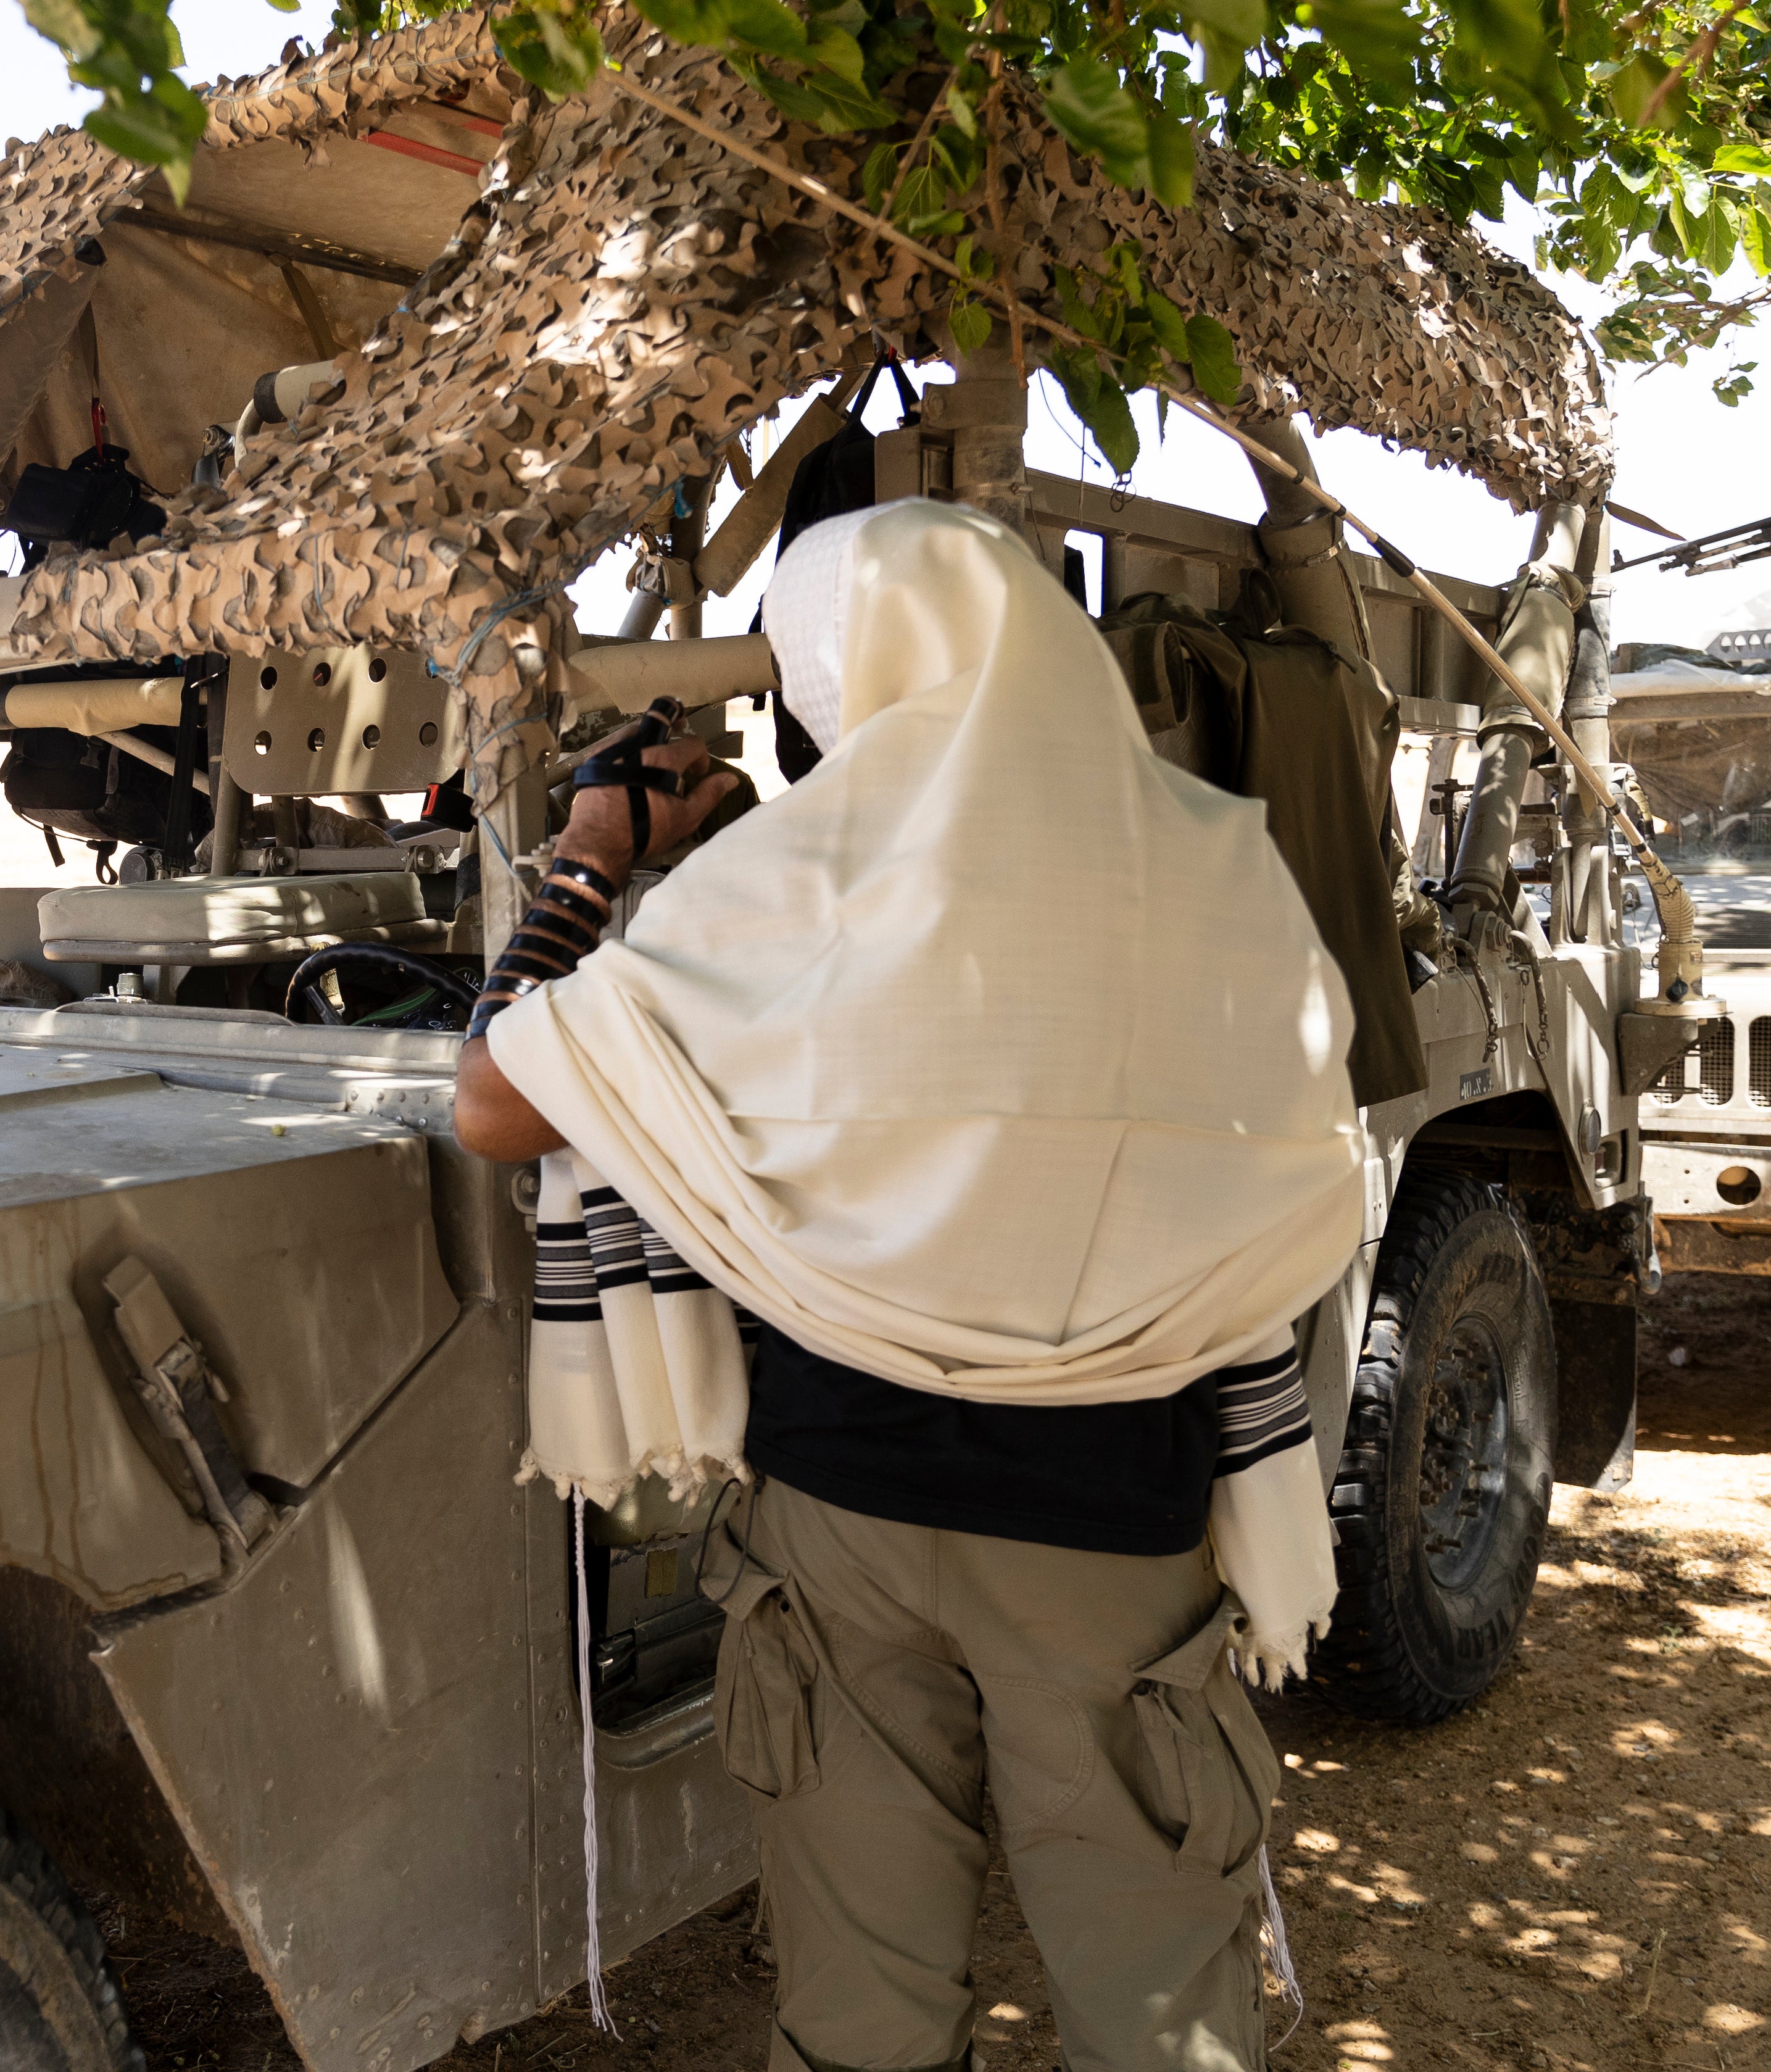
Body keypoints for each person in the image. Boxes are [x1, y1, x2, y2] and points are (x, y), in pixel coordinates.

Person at [456, 499, 1366, 2072]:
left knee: (862, 2017)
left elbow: (497, 1099)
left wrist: (599, 857)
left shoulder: (790, 880)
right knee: (1158, 2008)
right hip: (1112, 1532)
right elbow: (1292, 1153)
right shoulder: (1220, 864)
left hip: (843, 1525)